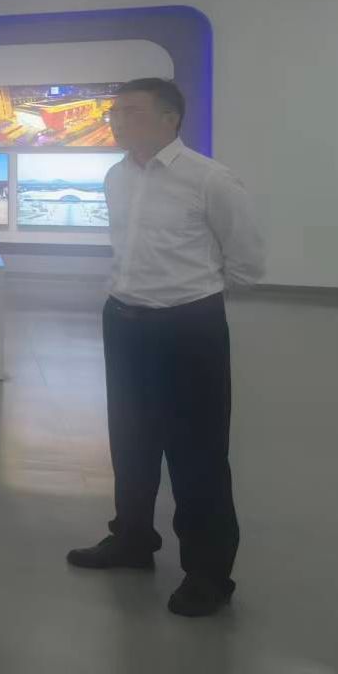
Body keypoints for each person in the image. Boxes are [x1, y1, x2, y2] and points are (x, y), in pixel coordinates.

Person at [66, 78, 265, 618]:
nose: (116, 121)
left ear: (169, 119)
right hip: (123, 321)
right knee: (130, 439)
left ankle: (208, 572)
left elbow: (247, 261)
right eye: (114, 113)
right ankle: (132, 539)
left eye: (130, 111)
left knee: (196, 453)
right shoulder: (116, 176)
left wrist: (189, 296)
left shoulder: (209, 179)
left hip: (187, 327)